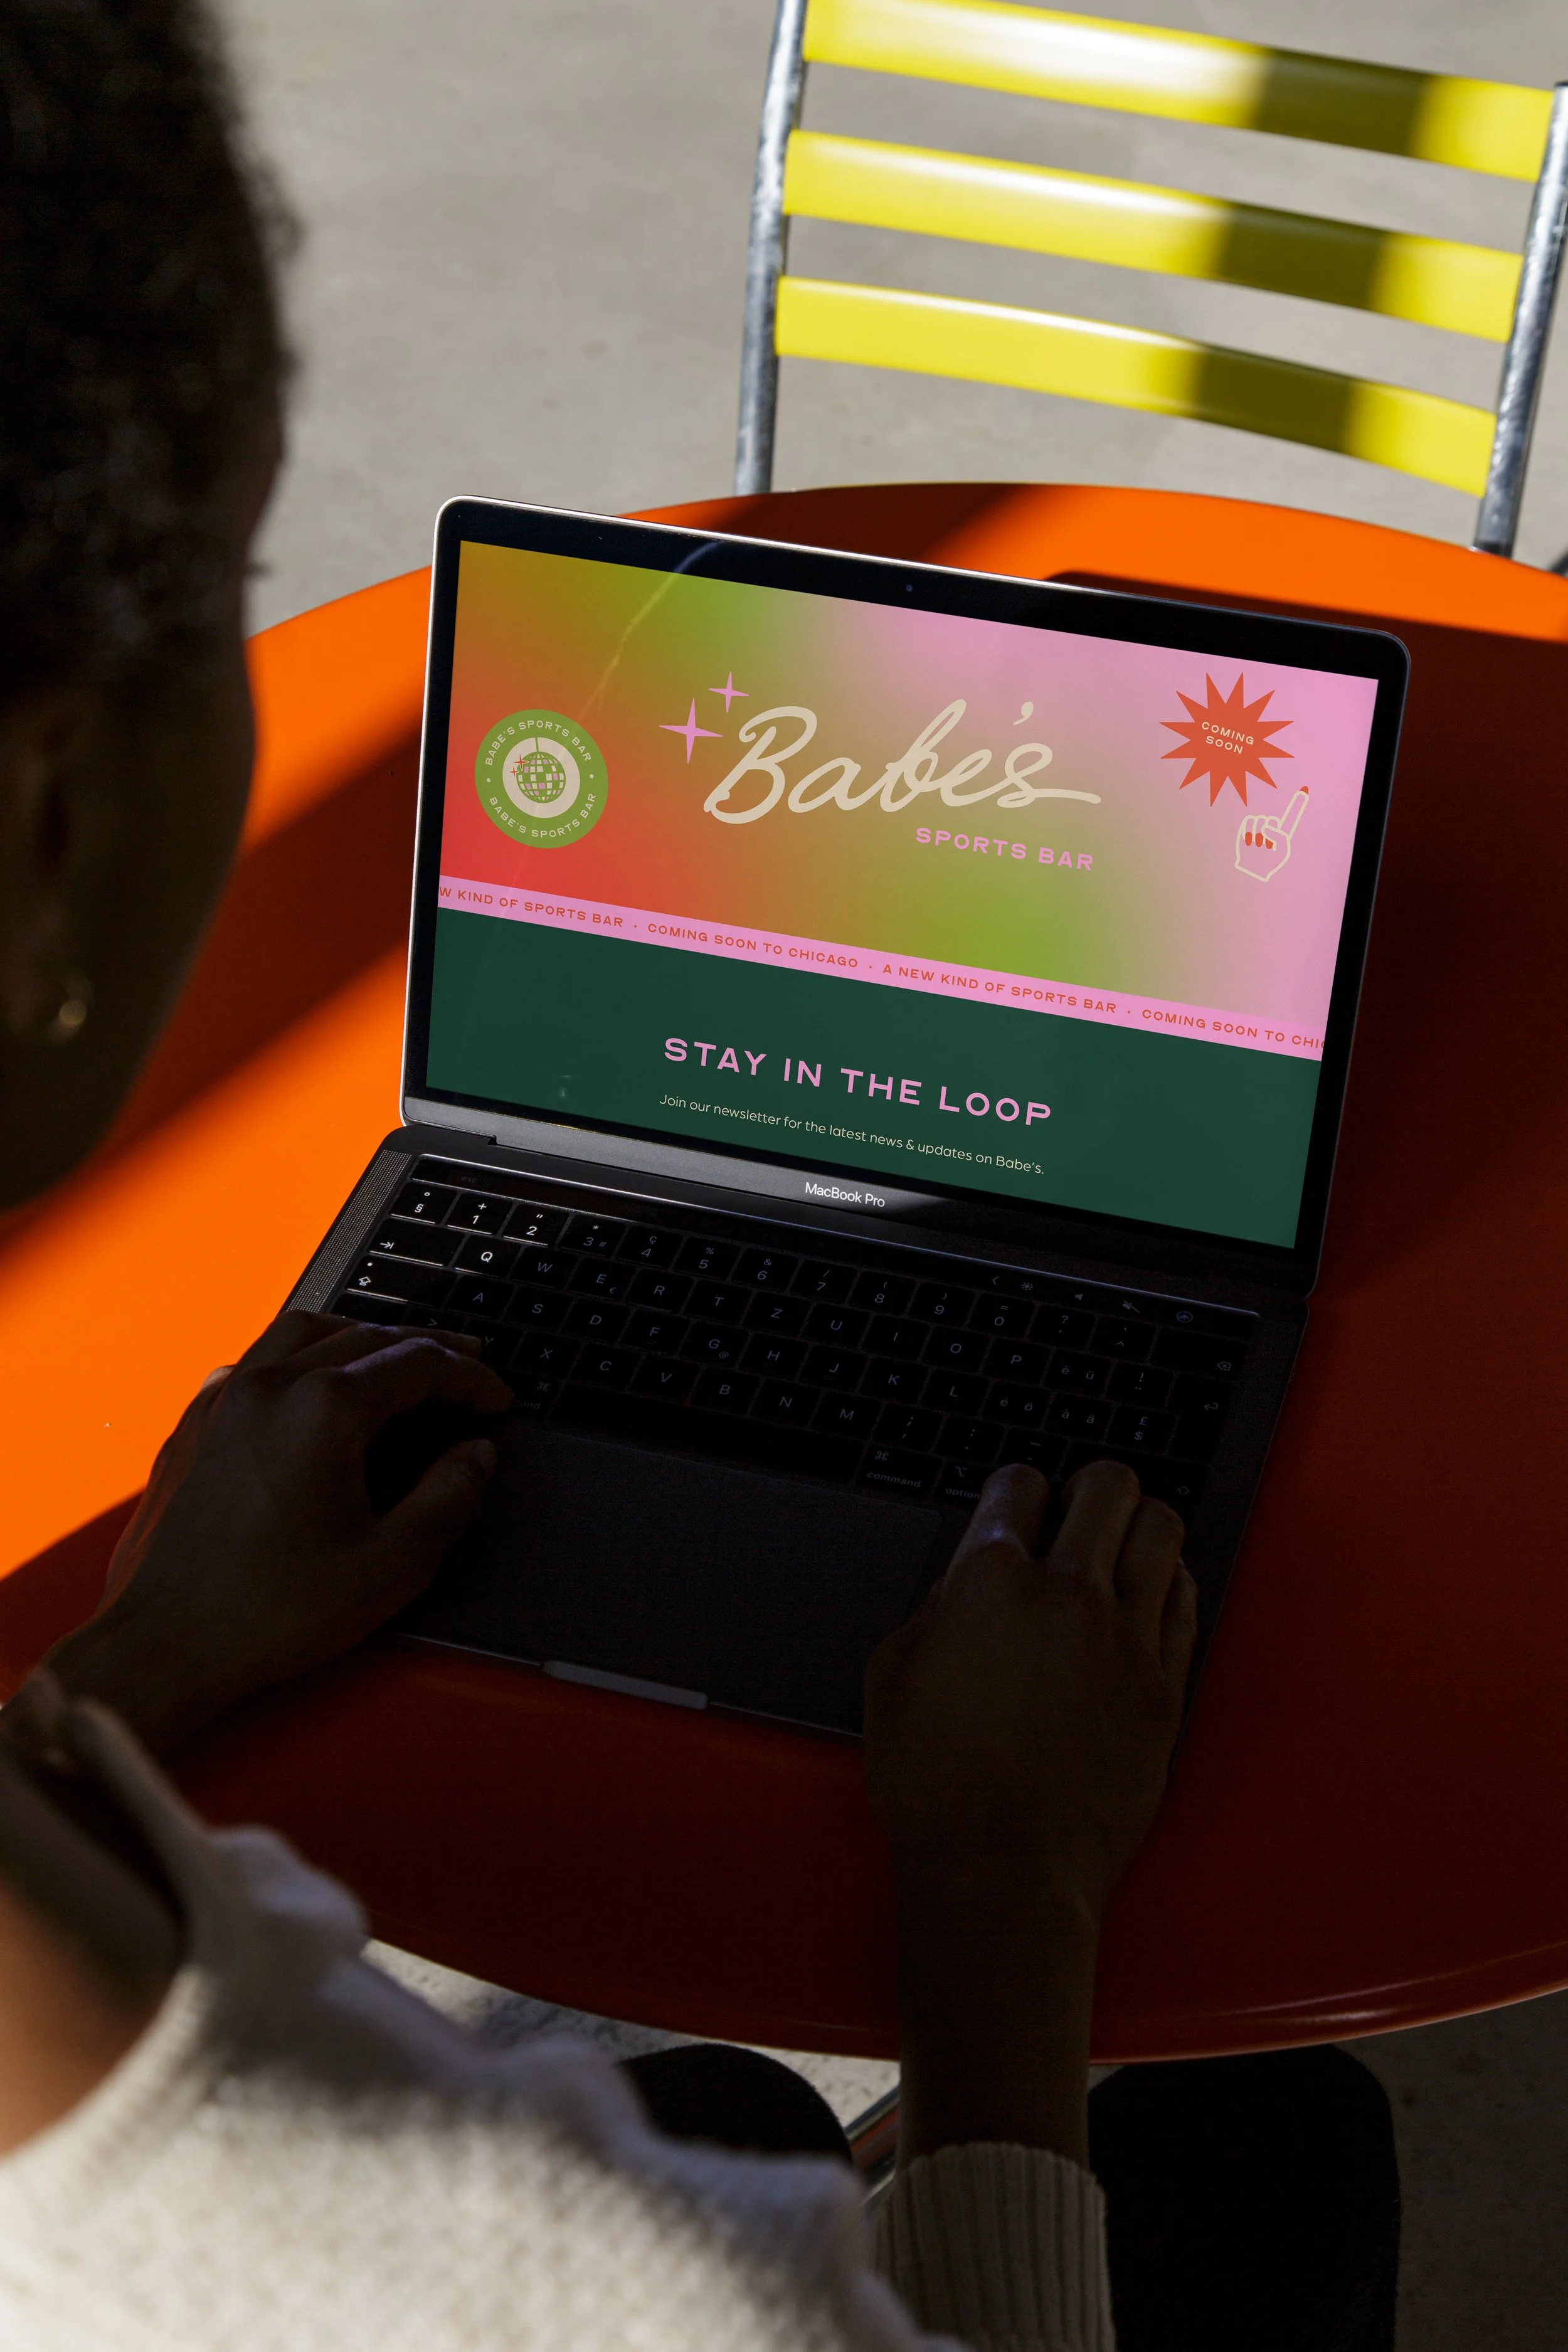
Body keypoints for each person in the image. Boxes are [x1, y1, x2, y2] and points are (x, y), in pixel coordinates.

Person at [0, 4, 1400, 2346]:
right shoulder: (499, 2270)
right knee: (1271, 2143)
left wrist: (137, 1661)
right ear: (51, 814)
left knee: (745, 2099)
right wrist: (999, 1898)